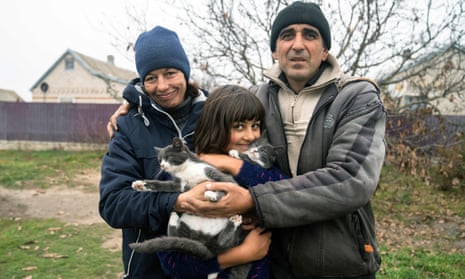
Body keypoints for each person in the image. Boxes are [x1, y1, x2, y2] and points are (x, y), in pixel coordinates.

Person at [107, 2, 386, 278]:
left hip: (334, 263)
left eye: (310, 35)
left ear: (325, 49)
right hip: (255, 262)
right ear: (275, 51)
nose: (163, 85)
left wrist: (249, 196)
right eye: (287, 35)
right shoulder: (258, 97)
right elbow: (113, 203)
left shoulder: (354, 97)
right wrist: (132, 106)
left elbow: (351, 179)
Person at [99, 26, 270, 278]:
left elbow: (255, 166)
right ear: (141, 81)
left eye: (170, 73)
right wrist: (175, 201)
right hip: (151, 271)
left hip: (219, 263)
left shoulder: (216, 114)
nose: (162, 86)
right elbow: (113, 203)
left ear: (185, 72)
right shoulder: (129, 128)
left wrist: (252, 209)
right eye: (151, 78)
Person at [157, 84, 288, 279]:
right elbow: (172, 262)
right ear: (215, 127)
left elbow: (287, 191)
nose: (251, 136)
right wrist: (243, 254)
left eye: (256, 125)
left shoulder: (258, 168)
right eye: (239, 126)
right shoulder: (184, 174)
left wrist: (233, 165)